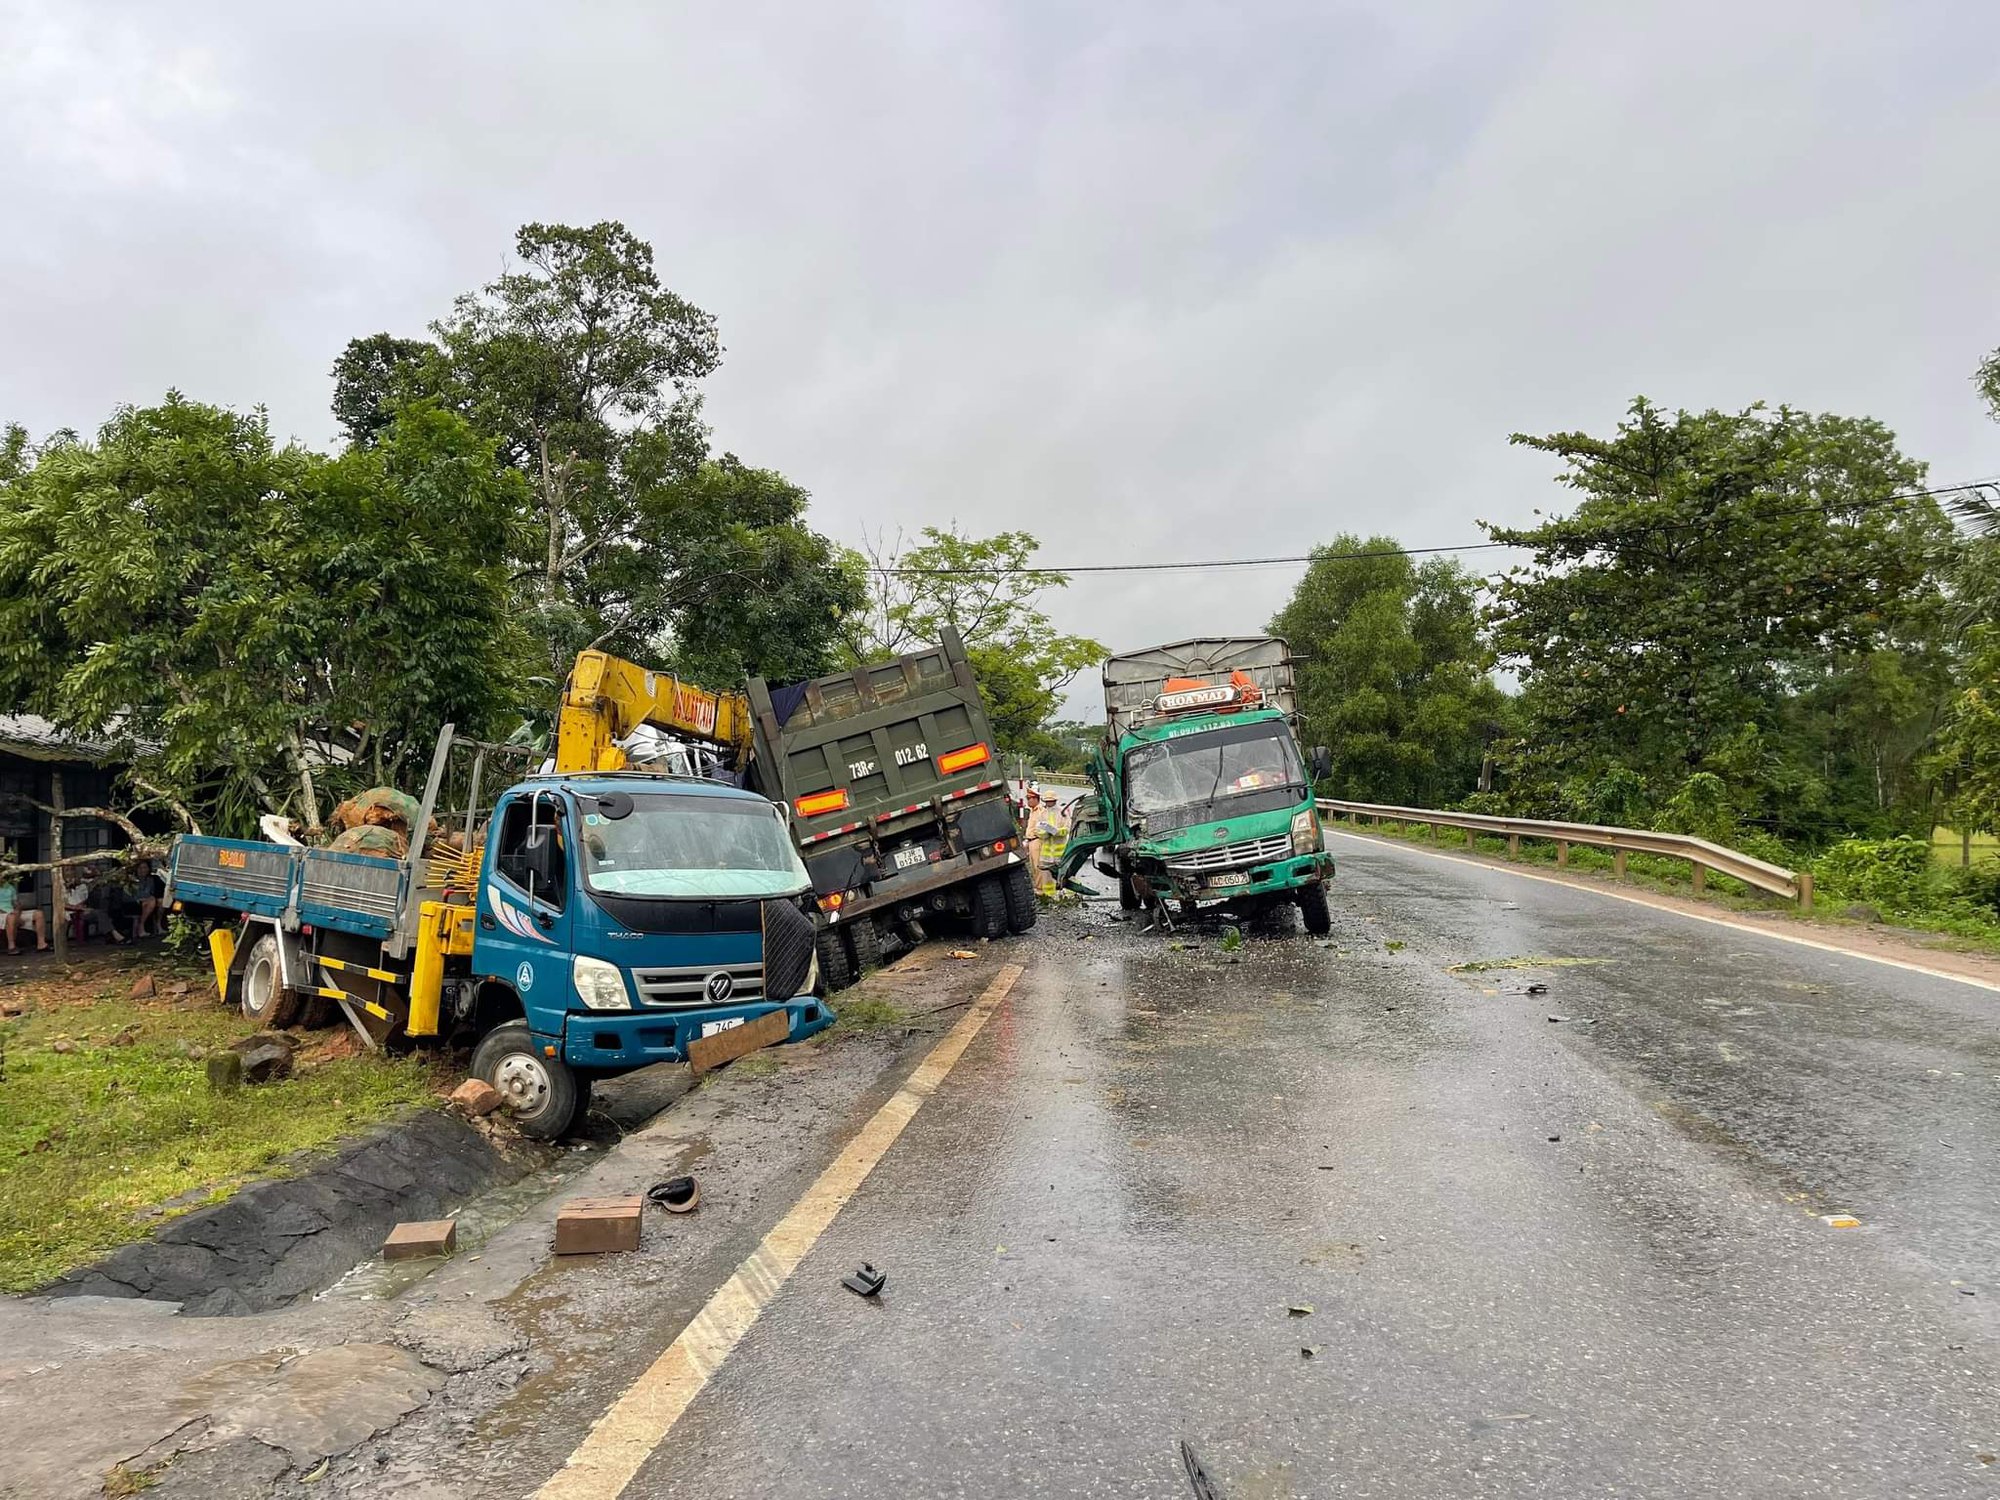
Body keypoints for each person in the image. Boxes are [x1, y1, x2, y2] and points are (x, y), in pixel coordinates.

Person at [1, 872, 48, 955]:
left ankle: (41, 944)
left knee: (38, 914)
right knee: (11, 917)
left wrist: (17, 913)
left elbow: (16, 903)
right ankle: (11, 947)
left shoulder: (10, 887)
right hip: (2, 914)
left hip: (12, 913)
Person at [132, 859, 166, 939]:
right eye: (140, 868)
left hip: (147, 899)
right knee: (150, 901)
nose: (142, 870)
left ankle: (158, 924)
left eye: (145, 868)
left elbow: (151, 892)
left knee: (161, 901)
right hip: (134, 900)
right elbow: (132, 894)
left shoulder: (150, 879)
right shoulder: (131, 879)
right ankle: (141, 926)